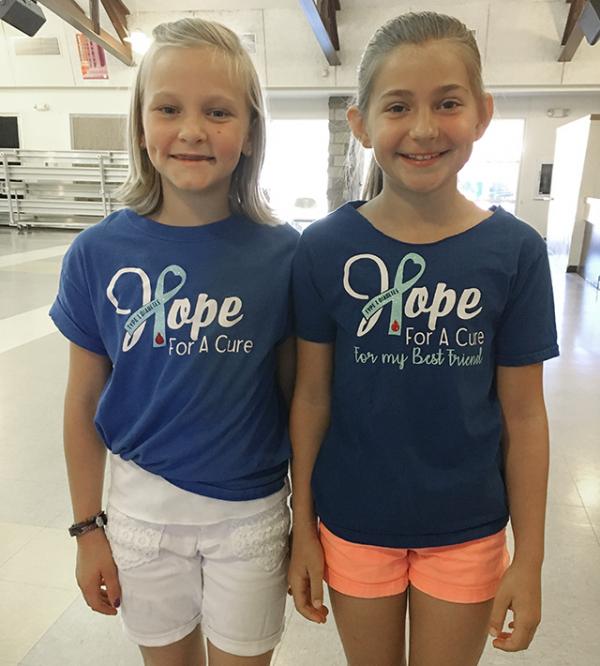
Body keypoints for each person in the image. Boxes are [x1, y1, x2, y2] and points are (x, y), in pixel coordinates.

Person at [289, 11, 558, 666]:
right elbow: (311, 399)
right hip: (354, 523)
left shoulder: (515, 252)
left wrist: (532, 559)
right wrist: (303, 530)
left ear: (483, 113)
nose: (424, 128)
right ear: (361, 123)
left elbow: (524, 416)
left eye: (447, 103)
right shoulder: (324, 249)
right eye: (398, 106)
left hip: (466, 528)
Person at [50, 18, 298, 666]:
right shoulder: (97, 254)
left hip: (251, 520)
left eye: (217, 111)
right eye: (168, 108)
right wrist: (86, 530)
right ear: (140, 124)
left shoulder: (284, 256)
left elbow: (302, 400)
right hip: (139, 521)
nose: (191, 129)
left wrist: (313, 526)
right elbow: (82, 403)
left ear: (249, 133)